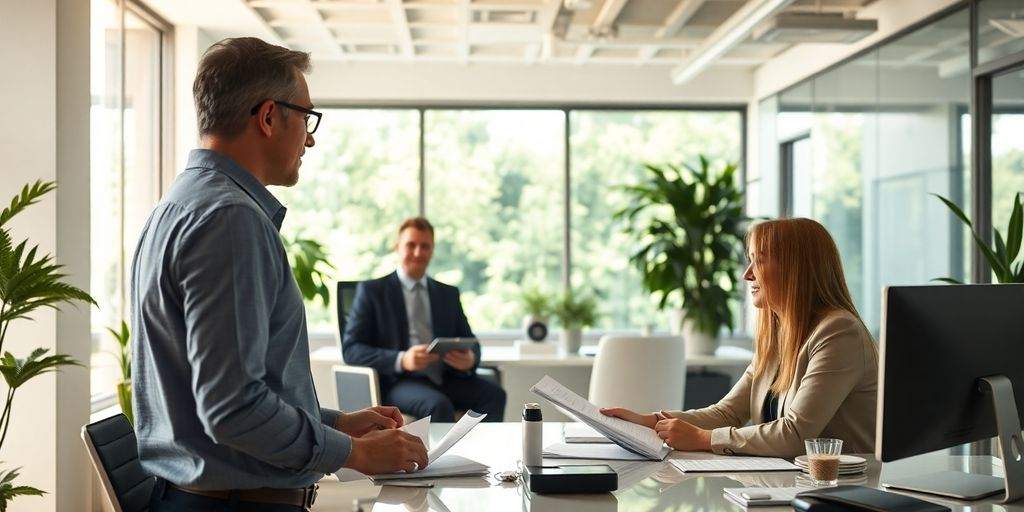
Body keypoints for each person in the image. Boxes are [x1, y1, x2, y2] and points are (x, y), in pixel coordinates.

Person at [131, 37, 427, 512]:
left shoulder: (178, 205)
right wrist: (354, 452)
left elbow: (223, 391)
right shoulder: (230, 220)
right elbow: (231, 409)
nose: (310, 138)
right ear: (269, 117)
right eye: (307, 118)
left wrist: (336, 422)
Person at [602, 218, 878, 458]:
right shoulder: (780, 334)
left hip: (841, 491)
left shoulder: (839, 331)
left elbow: (795, 435)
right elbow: (726, 413)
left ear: (795, 269)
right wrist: (647, 422)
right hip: (791, 482)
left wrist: (703, 439)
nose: (747, 274)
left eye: (759, 260)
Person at [343, 217, 507, 422]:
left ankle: (480, 454)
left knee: (495, 395)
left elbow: (471, 342)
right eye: (411, 245)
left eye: (425, 246)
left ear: (432, 250)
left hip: (445, 377)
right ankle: (439, 456)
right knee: (438, 405)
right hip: (400, 382)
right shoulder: (372, 292)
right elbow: (351, 349)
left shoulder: (448, 294)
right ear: (397, 247)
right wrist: (402, 359)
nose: (418, 252)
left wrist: (470, 359)